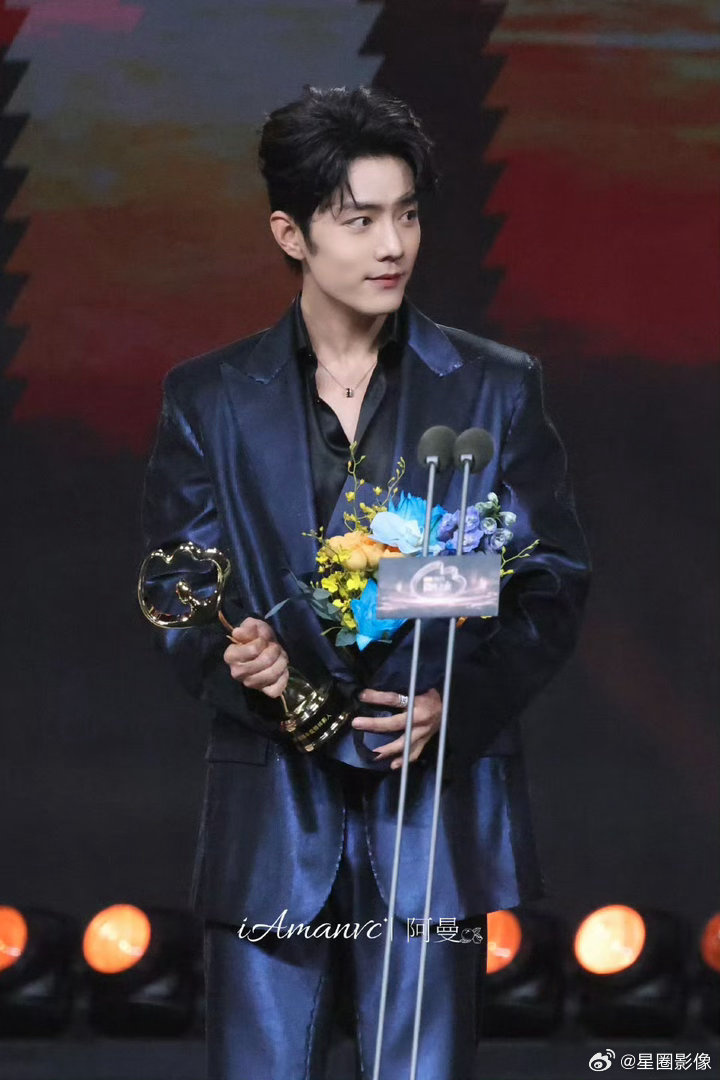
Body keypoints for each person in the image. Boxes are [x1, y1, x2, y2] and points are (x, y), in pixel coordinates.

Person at [141, 85, 591, 1080]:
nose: (394, 245)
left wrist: (452, 700)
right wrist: (242, 662)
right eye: (360, 221)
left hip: (433, 819)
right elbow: (180, 589)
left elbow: (549, 578)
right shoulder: (210, 399)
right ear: (290, 234)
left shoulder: (494, 385)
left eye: (409, 214)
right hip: (272, 818)